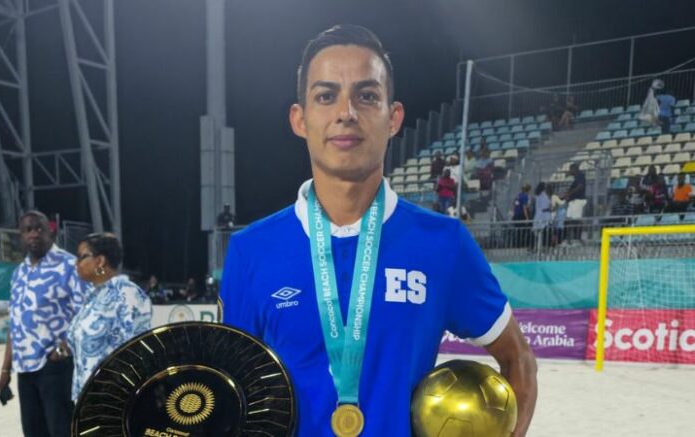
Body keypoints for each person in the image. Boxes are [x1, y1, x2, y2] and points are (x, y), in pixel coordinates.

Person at [219, 24, 536, 437]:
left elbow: (517, 358)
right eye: (326, 96)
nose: (346, 113)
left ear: (393, 117)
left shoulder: (444, 244)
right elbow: (227, 392)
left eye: (367, 96)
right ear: (300, 119)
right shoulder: (251, 250)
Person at [0, 210, 89, 437]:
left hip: (56, 368)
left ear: (50, 232)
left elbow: (88, 314)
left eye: (39, 228)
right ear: (21, 235)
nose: (34, 234)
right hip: (24, 369)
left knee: (61, 431)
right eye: (28, 230)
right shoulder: (19, 273)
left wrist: (63, 350)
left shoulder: (70, 266)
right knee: (33, 432)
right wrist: (6, 369)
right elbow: (15, 323)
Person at [64, 233, 152, 402]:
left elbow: (137, 351)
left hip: (114, 400)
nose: (76, 263)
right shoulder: (93, 296)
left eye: (82, 257)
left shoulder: (126, 293)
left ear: (100, 261)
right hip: (87, 399)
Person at [563, 163, 587, 244]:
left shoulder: (580, 175)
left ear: (574, 169)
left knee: (576, 219)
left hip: (578, 200)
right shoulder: (576, 177)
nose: (570, 171)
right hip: (573, 201)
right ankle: (570, 238)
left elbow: (580, 186)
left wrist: (570, 193)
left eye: (570, 169)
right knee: (569, 219)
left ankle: (578, 238)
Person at [531, 182, 551, 250]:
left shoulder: (537, 195)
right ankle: (543, 248)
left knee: (537, 233)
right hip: (544, 216)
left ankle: (535, 247)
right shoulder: (543, 195)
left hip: (538, 215)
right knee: (544, 233)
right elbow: (544, 207)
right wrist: (549, 208)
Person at [512, 183, 531, 248]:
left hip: (516, 215)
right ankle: (521, 245)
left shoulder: (518, 196)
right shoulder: (525, 196)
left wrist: (514, 214)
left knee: (517, 231)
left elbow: (514, 205)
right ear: (528, 190)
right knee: (522, 231)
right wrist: (527, 218)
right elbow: (524, 207)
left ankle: (516, 245)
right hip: (521, 215)